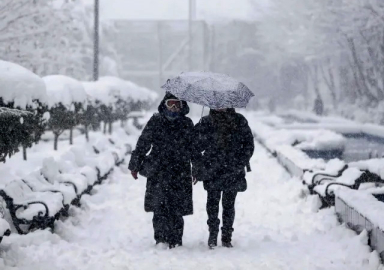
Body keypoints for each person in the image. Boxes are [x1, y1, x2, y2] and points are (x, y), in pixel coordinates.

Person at [128, 92, 194, 249]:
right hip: (159, 170)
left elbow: (194, 149)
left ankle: (176, 239)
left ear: (182, 106)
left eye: (176, 104)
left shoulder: (187, 123)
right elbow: (143, 142)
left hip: (180, 170)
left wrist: (198, 168)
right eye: (170, 103)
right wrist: (135, 165)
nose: (173, 107)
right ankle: (161, 239)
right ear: (164, 104)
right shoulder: (156, 121)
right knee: (159, 206)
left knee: (177, 209)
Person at [193, 108, 254, 248]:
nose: (221, 106)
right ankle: (213, 234)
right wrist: (199, 165)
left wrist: (240, 162)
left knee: (229, 204)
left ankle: (227, 236)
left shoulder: (239, 120)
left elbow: (249, 144)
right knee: (212, 203)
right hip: (212, 169)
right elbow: (194, 145)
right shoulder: (206, 121)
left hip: (233, 169)